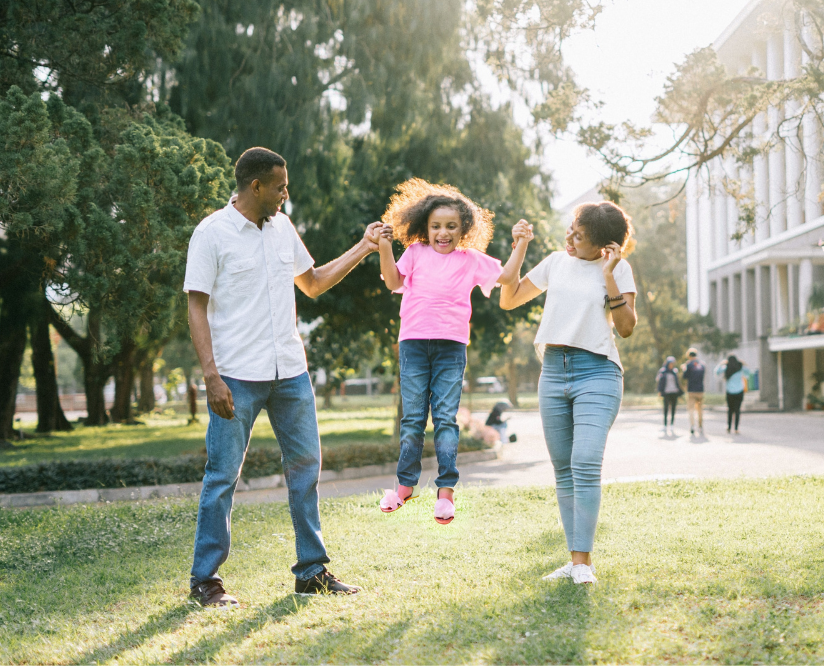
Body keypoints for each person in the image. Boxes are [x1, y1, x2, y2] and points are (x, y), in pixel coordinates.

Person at [183, 147, 382, 606]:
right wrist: (211, 376)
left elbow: (313, 283)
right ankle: (205, 580)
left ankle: (311, 571)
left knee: (306, 469)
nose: (285, 194)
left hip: (290, 372)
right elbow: (196, 305)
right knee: (222, 476)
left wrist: (364, 246)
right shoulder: (211, 233)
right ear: (255, 186)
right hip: (236, 375)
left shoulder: (283, 228)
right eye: (280, 187)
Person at [376, 178, 533, 524]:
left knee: (445, 418)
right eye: (436, 226)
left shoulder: (470, 259)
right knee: (413, 418)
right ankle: (405, 487)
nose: (443, 233)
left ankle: (445, 492)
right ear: (425, 227)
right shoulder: (415, 253)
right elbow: (392, 281)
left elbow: (508, 277)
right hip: (414, 344)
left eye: (451, 226)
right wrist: (385, 247)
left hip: (451, 347)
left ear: (464, 230)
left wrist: (521, 243)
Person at [499, 201, 637, 585]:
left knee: (585, 461)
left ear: (604, 246)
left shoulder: (619, 268)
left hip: (598, 372)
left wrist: (608, 274)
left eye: (581, 236)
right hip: (553, 371)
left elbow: (626, 327)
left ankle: (582, 565)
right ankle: (576, 562)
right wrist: (520, 246)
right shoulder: (557, 262)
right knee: (564, 469)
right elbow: (508, 299)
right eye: (572, 229)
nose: (571, 238)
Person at [715, 354, 748, 434]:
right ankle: (736, 428)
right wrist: (743, 363)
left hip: (730, 392)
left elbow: (717, 372)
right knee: (737, 410)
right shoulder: (740, 367)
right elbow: (748, 372)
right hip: (739, 391)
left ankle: (729, 427)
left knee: (730, 410)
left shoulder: (726, 367)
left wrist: (721, 364)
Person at [681, 348, 706, 435]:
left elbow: (684, 376)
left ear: (689, 356)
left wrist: (684, 368)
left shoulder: (688, 365)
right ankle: (700, 426)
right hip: (700, 390)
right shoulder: (702, 364)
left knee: (691, 409)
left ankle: (692, 425)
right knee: (700, 409)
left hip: (691, 390)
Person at [656, 356, 682, 435]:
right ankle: (664, 425)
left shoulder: (675, 371)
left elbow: (678, 382)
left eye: (672, 364)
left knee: (673, 409)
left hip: (674, 392)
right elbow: (659, 381)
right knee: (666, 409)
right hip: (666, 392)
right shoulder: (663, 371)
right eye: (670, 364)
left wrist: (680, 392)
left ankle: (672, 425)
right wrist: (660, 391)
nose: (671, 365)